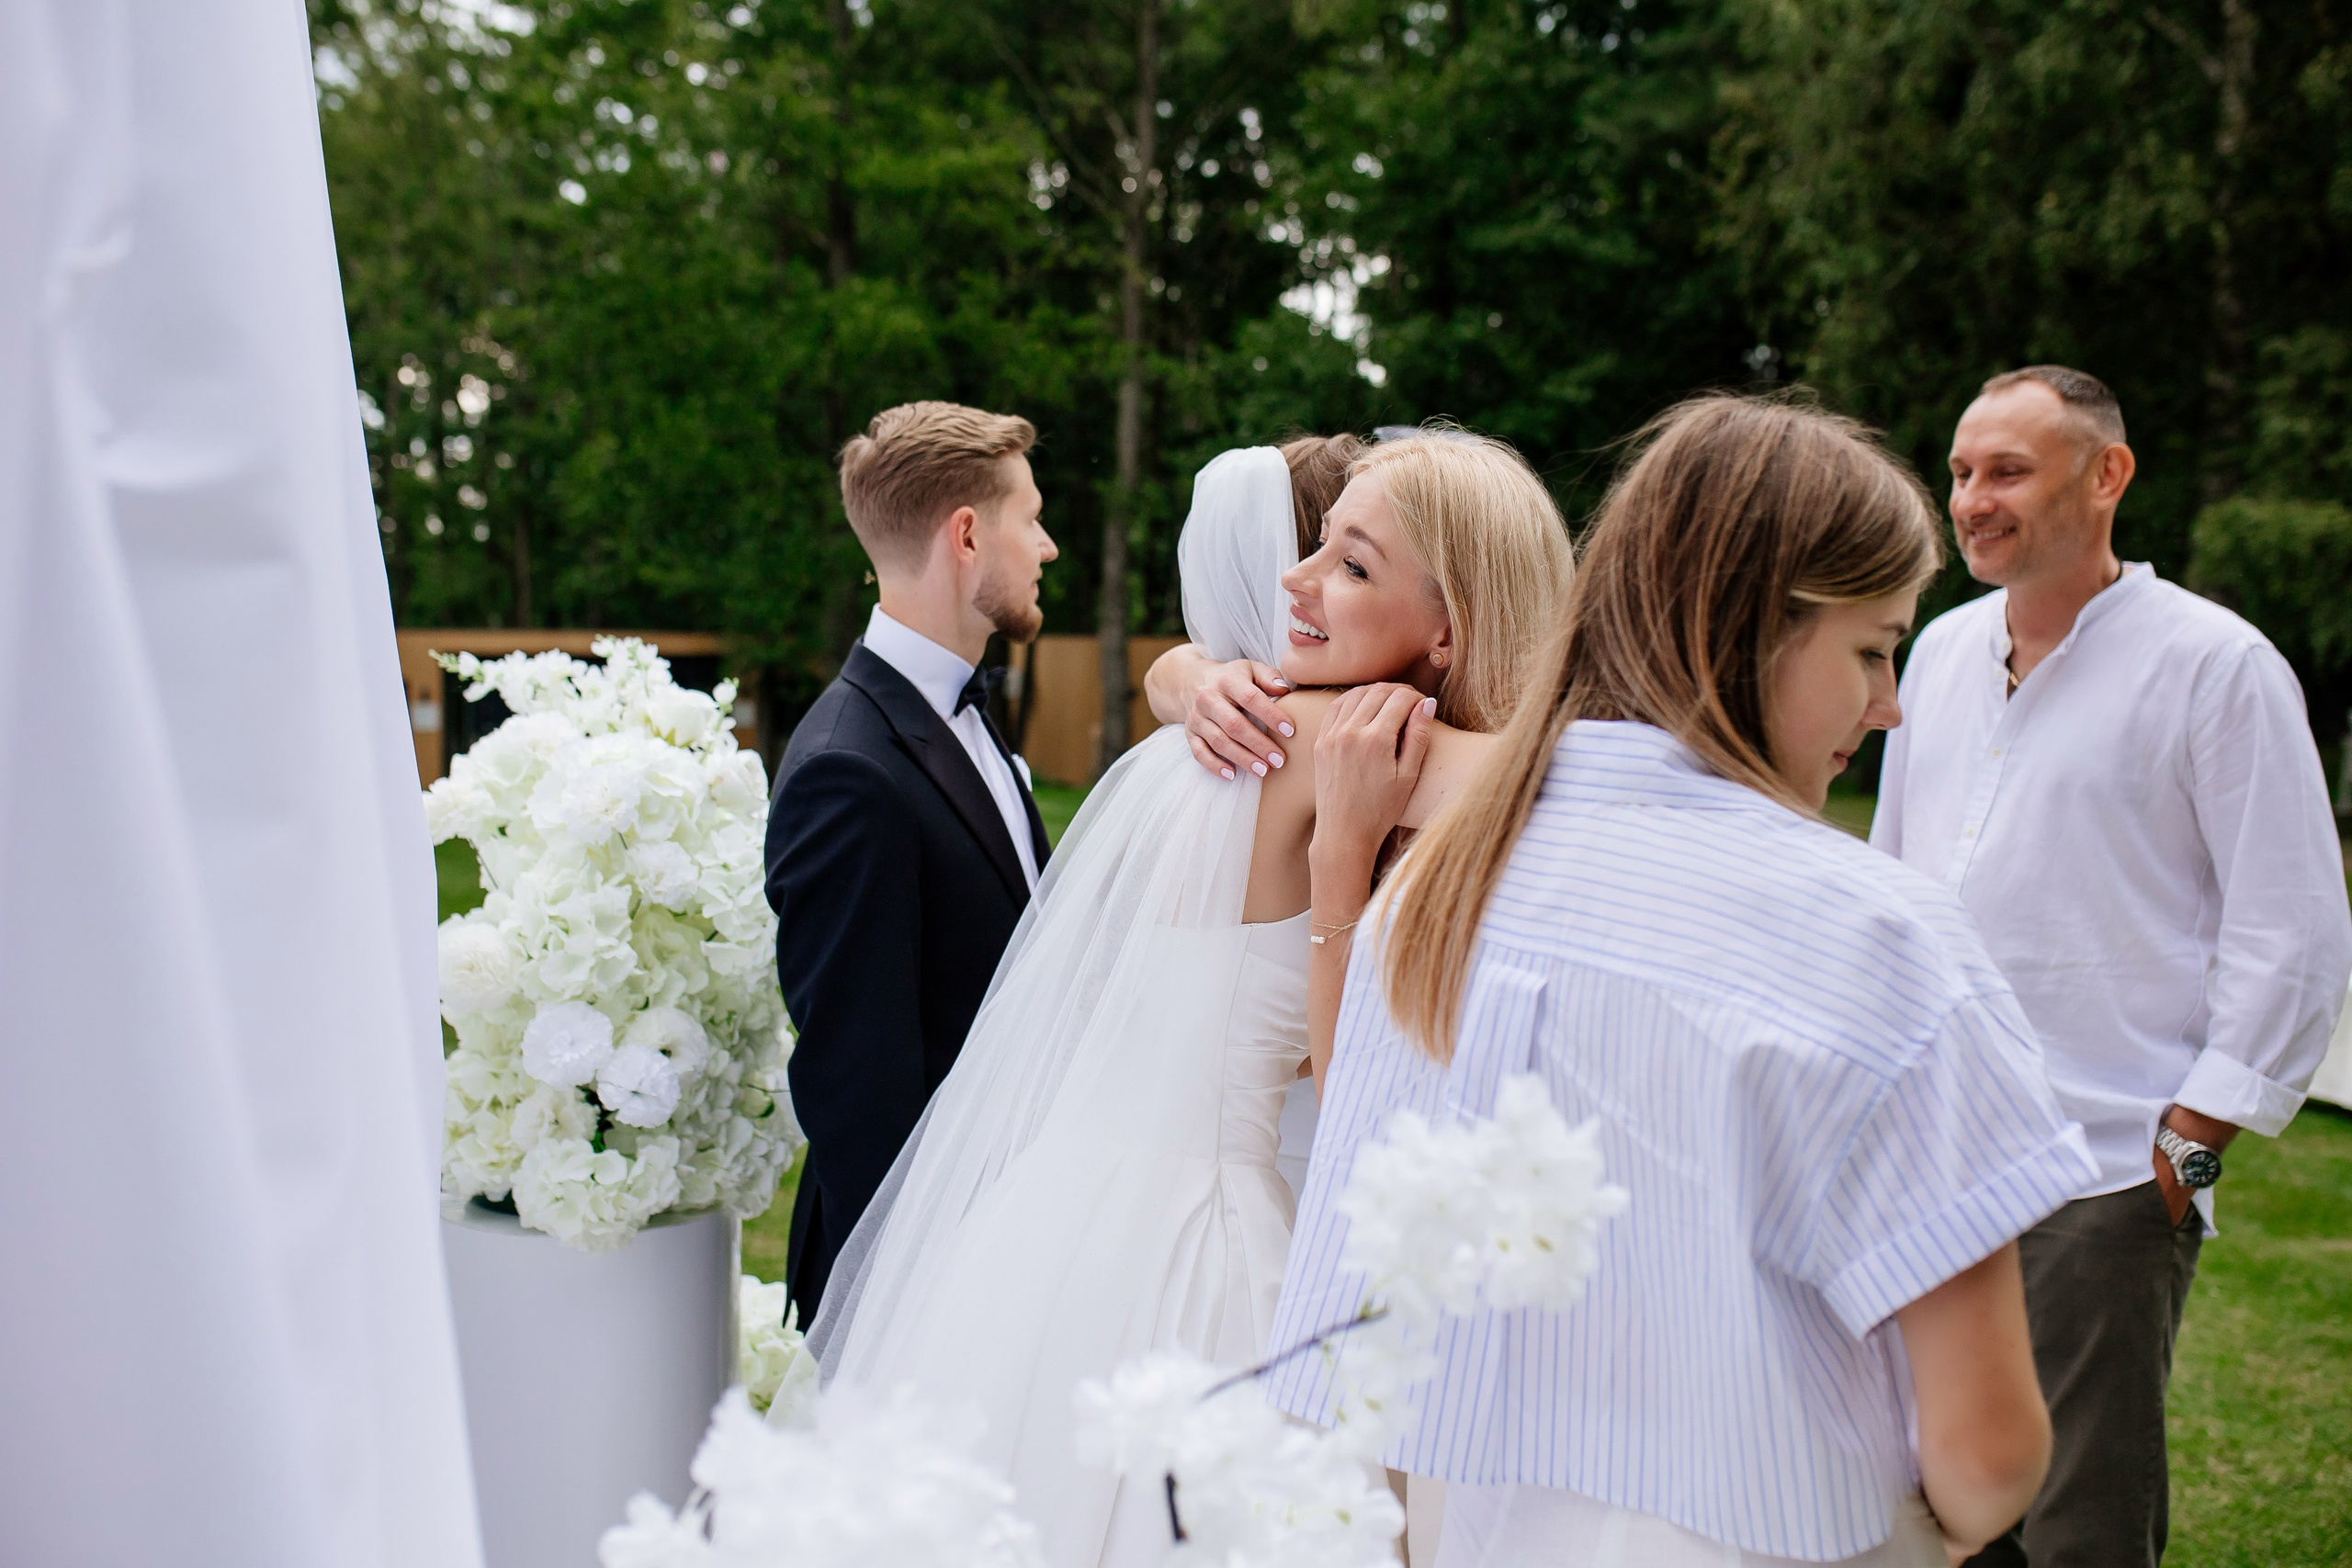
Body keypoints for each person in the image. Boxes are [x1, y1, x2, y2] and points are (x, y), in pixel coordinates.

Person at [1270, 395, 2101, 1568]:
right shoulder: (1883, 936)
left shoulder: (1439, 887)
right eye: (1871, 646)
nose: (1890, 704)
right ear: (1754, 629)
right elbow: (1985, 1452)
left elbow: (1372, 1298)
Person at [808, 432, 1575, 1568]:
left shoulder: (1222, 724)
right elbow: (1567, 776)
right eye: (1318, 548)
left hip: (1051, 1229)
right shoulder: (1338, 734)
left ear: (1453, 617)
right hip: (1200, 1243)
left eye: (1350, 567)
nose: (1296, 582)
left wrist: (1180, 672)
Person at [1870, 367, 2352, 1568]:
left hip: (2107, 1173)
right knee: (1946, 1498)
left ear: (2108, 474)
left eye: (2008, 471)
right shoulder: (1934, 652)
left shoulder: (2217, 664)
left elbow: (2290, 921)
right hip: (1942, 1154)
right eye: (1963, 471)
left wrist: (2185, 1157)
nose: (1971, 500)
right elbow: (1892, 883)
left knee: (2085, 1518)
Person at [763, 400, 1059, 1317]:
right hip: (918, 1277)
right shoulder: (848, 772)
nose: (1046, 547)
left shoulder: (955, 716)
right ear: (967, 534)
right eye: (1032, 517)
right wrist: (928, 1309)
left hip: (1001, 1223)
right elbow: (858, 1088)